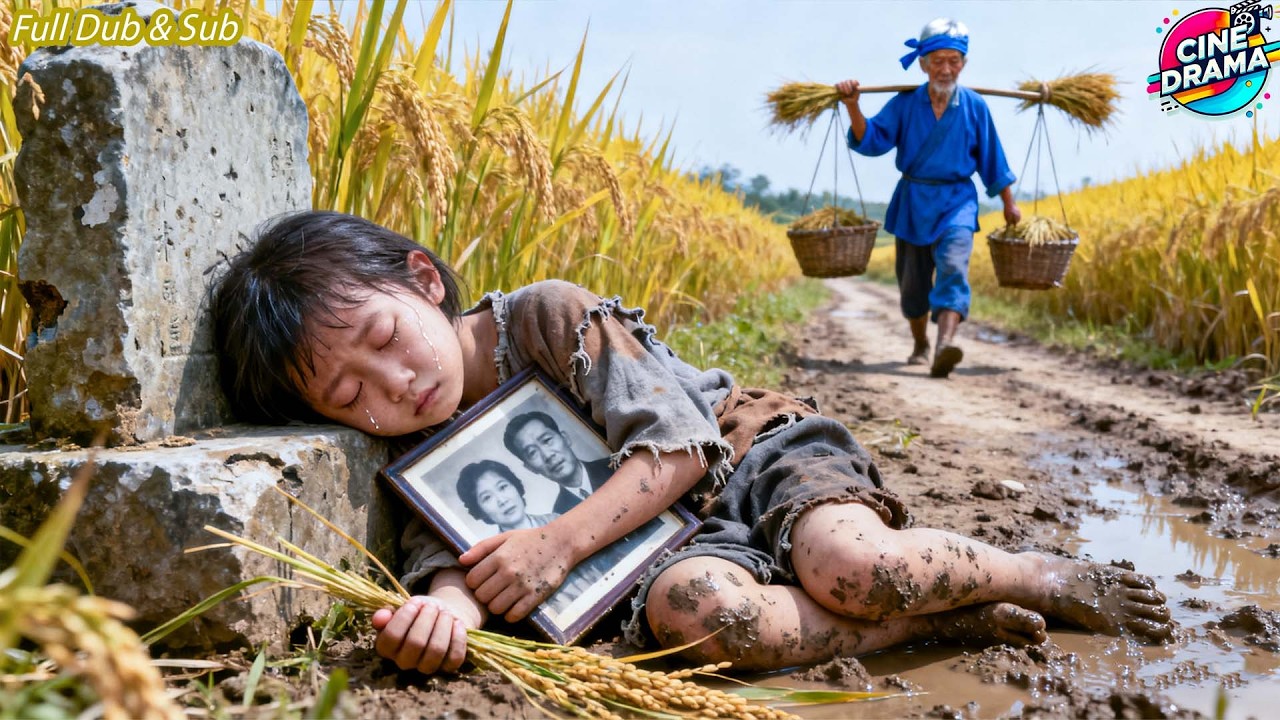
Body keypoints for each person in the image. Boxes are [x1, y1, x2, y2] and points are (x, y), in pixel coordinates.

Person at [211, 210, 1172, 677]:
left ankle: (1029, 574)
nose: (394, 387)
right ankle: (934, 623)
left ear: (422, 280)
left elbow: (677, 449)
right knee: (702, 614)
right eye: (351, 397)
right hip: (664, 556)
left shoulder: (544, 322)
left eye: (383, 341)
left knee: (845, 560)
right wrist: (450, 610)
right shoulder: (412, 460)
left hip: (748, 461)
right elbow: (451, 558)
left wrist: (553, 544)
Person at [835, 18, 1022, 379]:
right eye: (938, 61)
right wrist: (853, 106)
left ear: (964, 64)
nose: (947, 69)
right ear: (922, 63)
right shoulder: (905, 104)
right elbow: (871, 140)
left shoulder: (974, 106)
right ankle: (920, 342)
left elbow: (993, 160)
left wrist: (1008, 203)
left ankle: (943, 346)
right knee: (913, 284)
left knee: (953, 267)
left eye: (954, 61)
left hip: (957, 202)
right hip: (913, 200)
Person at [455, 460, 595, 615]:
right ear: (479, 510)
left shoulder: (557, 519)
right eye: (487, 498)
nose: (502, 500)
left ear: (515, 486)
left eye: (503, 487)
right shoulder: (494, 559)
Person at [502, 411, 612, 514]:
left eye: (547, 440)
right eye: (532, 453)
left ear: (565, 438)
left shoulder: (616, 465)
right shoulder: (560, 515)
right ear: (530, 468)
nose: (547, 455)